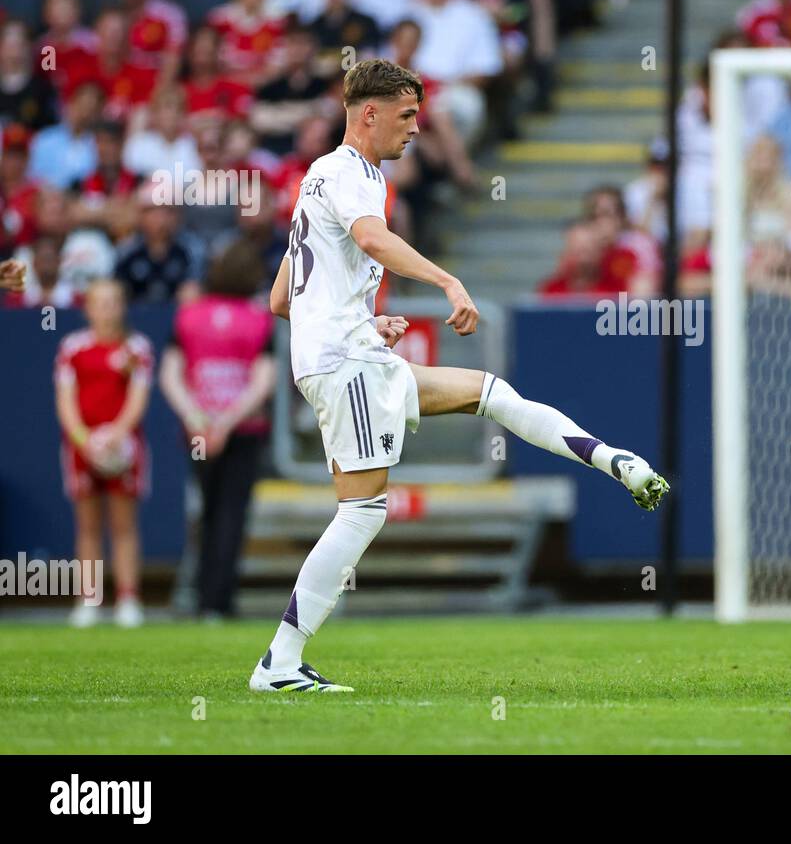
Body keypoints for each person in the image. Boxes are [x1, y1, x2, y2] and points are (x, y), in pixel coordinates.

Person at [251, 59, 668, 693]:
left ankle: (614, 460)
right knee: (362, 511)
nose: (417, 129)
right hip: (343, 364)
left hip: (347, 353)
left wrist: (368, 323)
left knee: (491, 393)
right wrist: (445, 280)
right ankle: (280, 662)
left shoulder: (316, 177)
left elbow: (284, 297)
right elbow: (370, 240)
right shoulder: (353, 175)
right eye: (407, 115)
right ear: (369, 114)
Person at [160, 240, 276, 619]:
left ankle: (200, 596)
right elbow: (263, 381)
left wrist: (197, 420)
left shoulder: (190, 314)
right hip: (243, 431)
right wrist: (227, 422)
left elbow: (170, 374)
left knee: (204, 512)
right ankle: (219, 601)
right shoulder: (259, 317)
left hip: (199, 432)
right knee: (232, 514)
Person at [53, 278, 154, 628]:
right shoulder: (73, 348)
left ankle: (128, 598)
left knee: (124, 525)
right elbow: (65, 400)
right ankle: (89, 599)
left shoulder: (136, 348)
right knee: (88, 526)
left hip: (124, 449)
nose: (108, 309)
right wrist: (83, 438)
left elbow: (137, 399)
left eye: (114, 302)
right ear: (88, 308)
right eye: (100, 302)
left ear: (123, 306)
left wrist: (116, 434)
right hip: (82, 449)